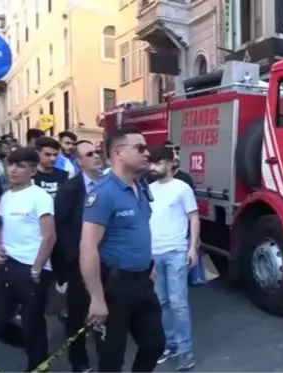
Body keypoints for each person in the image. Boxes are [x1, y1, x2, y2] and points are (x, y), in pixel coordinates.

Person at [79, 127, 164, 373]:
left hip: (142, 281)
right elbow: (88, 248)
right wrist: (96, 299)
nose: (147, 153)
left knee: (154, 344)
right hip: (114, 287)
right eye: (140, 148)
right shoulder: (103, 192)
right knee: (111, 360)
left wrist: (150, 263)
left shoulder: (141, 186)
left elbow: (140, 228)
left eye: (146, 148)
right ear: (117, 153)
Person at [0, 147, 56, 372]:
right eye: (11, 164)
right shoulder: (6, 197)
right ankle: (32, 348)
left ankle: (38, 364)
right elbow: (1, 226)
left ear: (32, 171)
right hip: (8, 266)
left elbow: (49, 236)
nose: (13, 170)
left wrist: (37, 268)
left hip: (32, 268)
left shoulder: (40, 197)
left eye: (21, 166)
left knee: (32, 323)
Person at [148, 147, 199, 370]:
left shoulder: (182, 188)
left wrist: (192, 248)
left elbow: (194, 217)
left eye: (158, 163)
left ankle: (185, 352)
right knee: (161, 302)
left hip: (176, 252)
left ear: (169, 163)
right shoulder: (148, 189)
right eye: (152, 163)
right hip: (154, 253)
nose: (153, 167)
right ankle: (169, 345)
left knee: (178, 304)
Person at [54, 140, 102, 373]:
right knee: (77, 315)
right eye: (89, 154)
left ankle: (107, 358)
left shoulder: (107, 185)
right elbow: (60, 227)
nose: (96, 157)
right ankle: (79, 362)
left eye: (97, 152)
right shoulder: (70, 189)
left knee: (108, 310)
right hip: (78, 262)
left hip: (106, 259)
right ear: (79, 161)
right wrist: (69, 262)